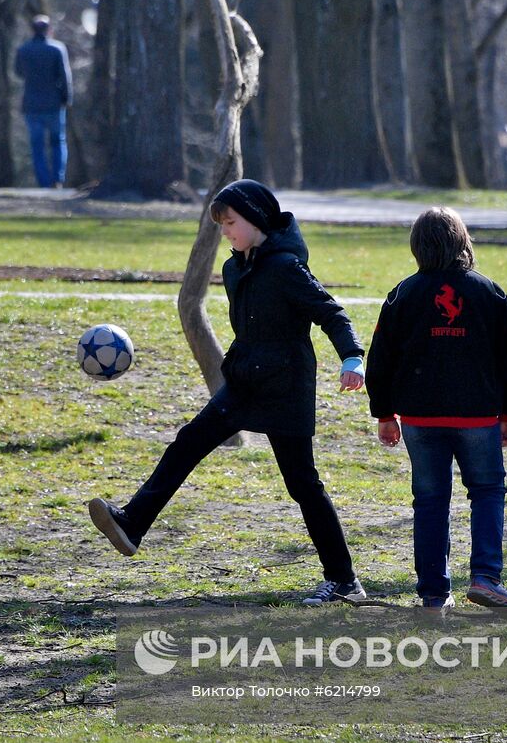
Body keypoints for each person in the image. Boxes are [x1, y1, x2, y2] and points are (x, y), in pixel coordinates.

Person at [87, 180, 371, 606]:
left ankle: (344, 580)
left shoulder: (286, 268)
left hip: (285, 387)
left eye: (231, 223)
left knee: (303, 485)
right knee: (188, 441)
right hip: (243, 381)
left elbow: (330, 312)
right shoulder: (237, 267)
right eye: (220, 224)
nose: (225, 232)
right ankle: (132, 524)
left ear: (256, 220)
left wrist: (352, 357)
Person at [365, 207, 507, 617]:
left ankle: (433, 595)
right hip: (478, 416)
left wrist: (385, 413)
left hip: (420, 419)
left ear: (417, 246)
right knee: (488, 491)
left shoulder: (402, 294)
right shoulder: (489, 292)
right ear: (463, 242)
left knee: (430, 500)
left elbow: (380, 358)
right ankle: (486, 577)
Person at [13, 14, 72, 188]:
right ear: (48, 29)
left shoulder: (23, 49)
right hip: (54, 104)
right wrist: (67, 98)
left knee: (37, 145)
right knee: (58, 142)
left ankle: (43, 182)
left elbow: (18, 72)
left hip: (31, 104)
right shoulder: (57, 49)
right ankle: (58, 179)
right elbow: (65, 76)